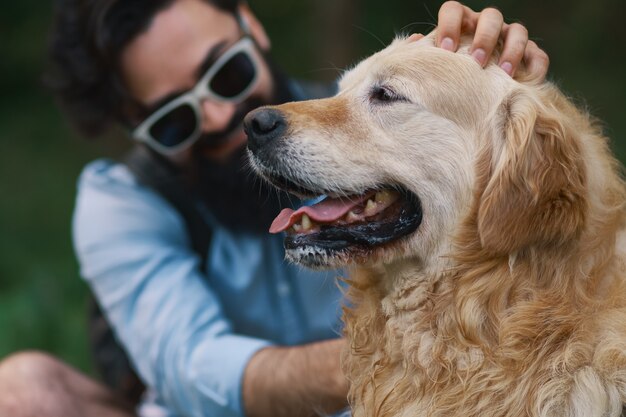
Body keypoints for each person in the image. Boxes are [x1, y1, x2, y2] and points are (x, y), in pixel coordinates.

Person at [0, 1, 549, 417]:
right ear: (131, 122)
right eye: (174, 119)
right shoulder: (121, 201)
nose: (219, 118)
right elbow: (192, 370)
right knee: (19, 388)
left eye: (228, 73)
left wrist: (500, 92)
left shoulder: (365, 121)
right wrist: (410, 351)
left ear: (251, 24)